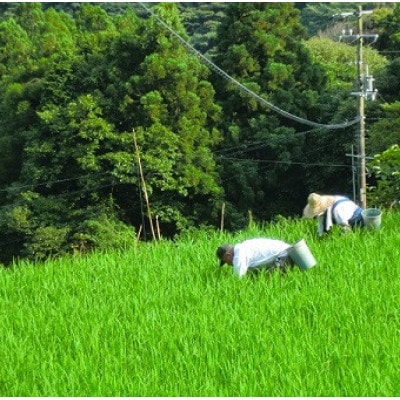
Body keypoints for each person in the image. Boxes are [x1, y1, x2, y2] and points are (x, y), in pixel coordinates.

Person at [216, 238, 295, 277]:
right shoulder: (243, 246)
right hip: (289, 251)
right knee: (256, 275)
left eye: (226, 261)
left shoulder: (239, 255)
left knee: (270, 279)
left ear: (228, 255)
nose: (229, 265)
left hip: (284, 255)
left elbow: (238, 279)